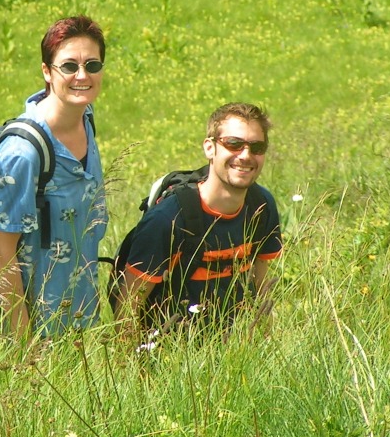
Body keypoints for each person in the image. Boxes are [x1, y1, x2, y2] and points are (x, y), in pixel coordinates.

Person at [114, 102, 282, 338]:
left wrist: (265, 342)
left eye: (257, 147)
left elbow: (261, 285)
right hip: (170, 349)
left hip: (237, 348)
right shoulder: (168, 219)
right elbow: (128, 308)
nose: (245, 155)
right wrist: (132, 359)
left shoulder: (261, 204)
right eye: (233, 144)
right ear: (210, 148)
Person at [0, 15, 108, 339]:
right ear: (46, 71)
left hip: (78, 316)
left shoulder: (86, 117)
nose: (82, 75)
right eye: (68, 66)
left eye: (92, 65)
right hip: (33, 326)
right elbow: (2, 252)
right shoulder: (21, 154)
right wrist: (23, 339)